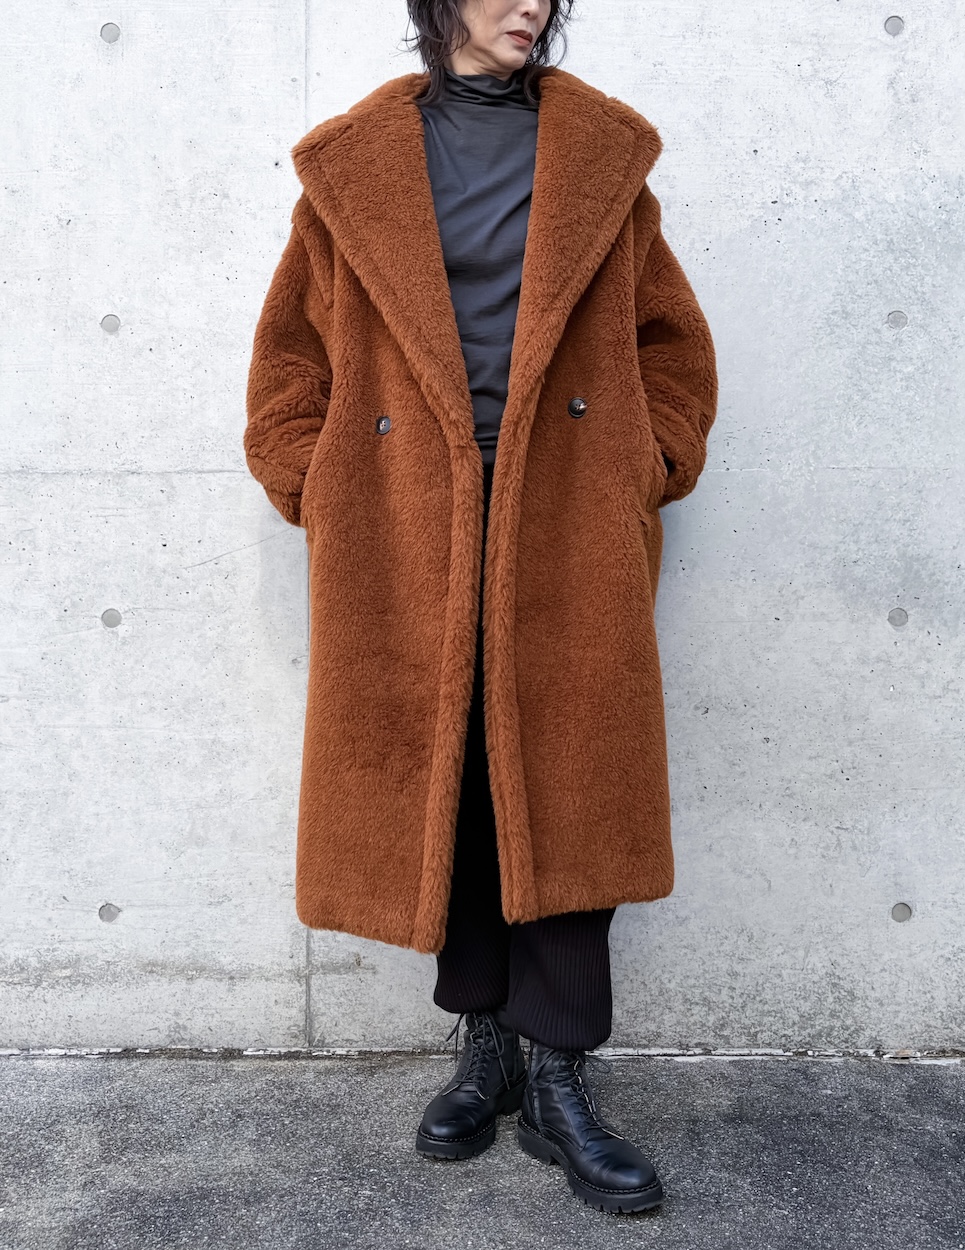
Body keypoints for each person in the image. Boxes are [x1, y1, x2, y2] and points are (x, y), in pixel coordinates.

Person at [243, 0, 717, 1216]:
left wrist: (646, 462)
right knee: (447, 772)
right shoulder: (352, 167)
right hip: (409, 516)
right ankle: (486, 1046)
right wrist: (320, 483)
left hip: (566, 511)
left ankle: (559, 1072)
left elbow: (670, 345)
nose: (532, 6)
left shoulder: (603, 158)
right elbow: (290, 364)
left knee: (565, 773)